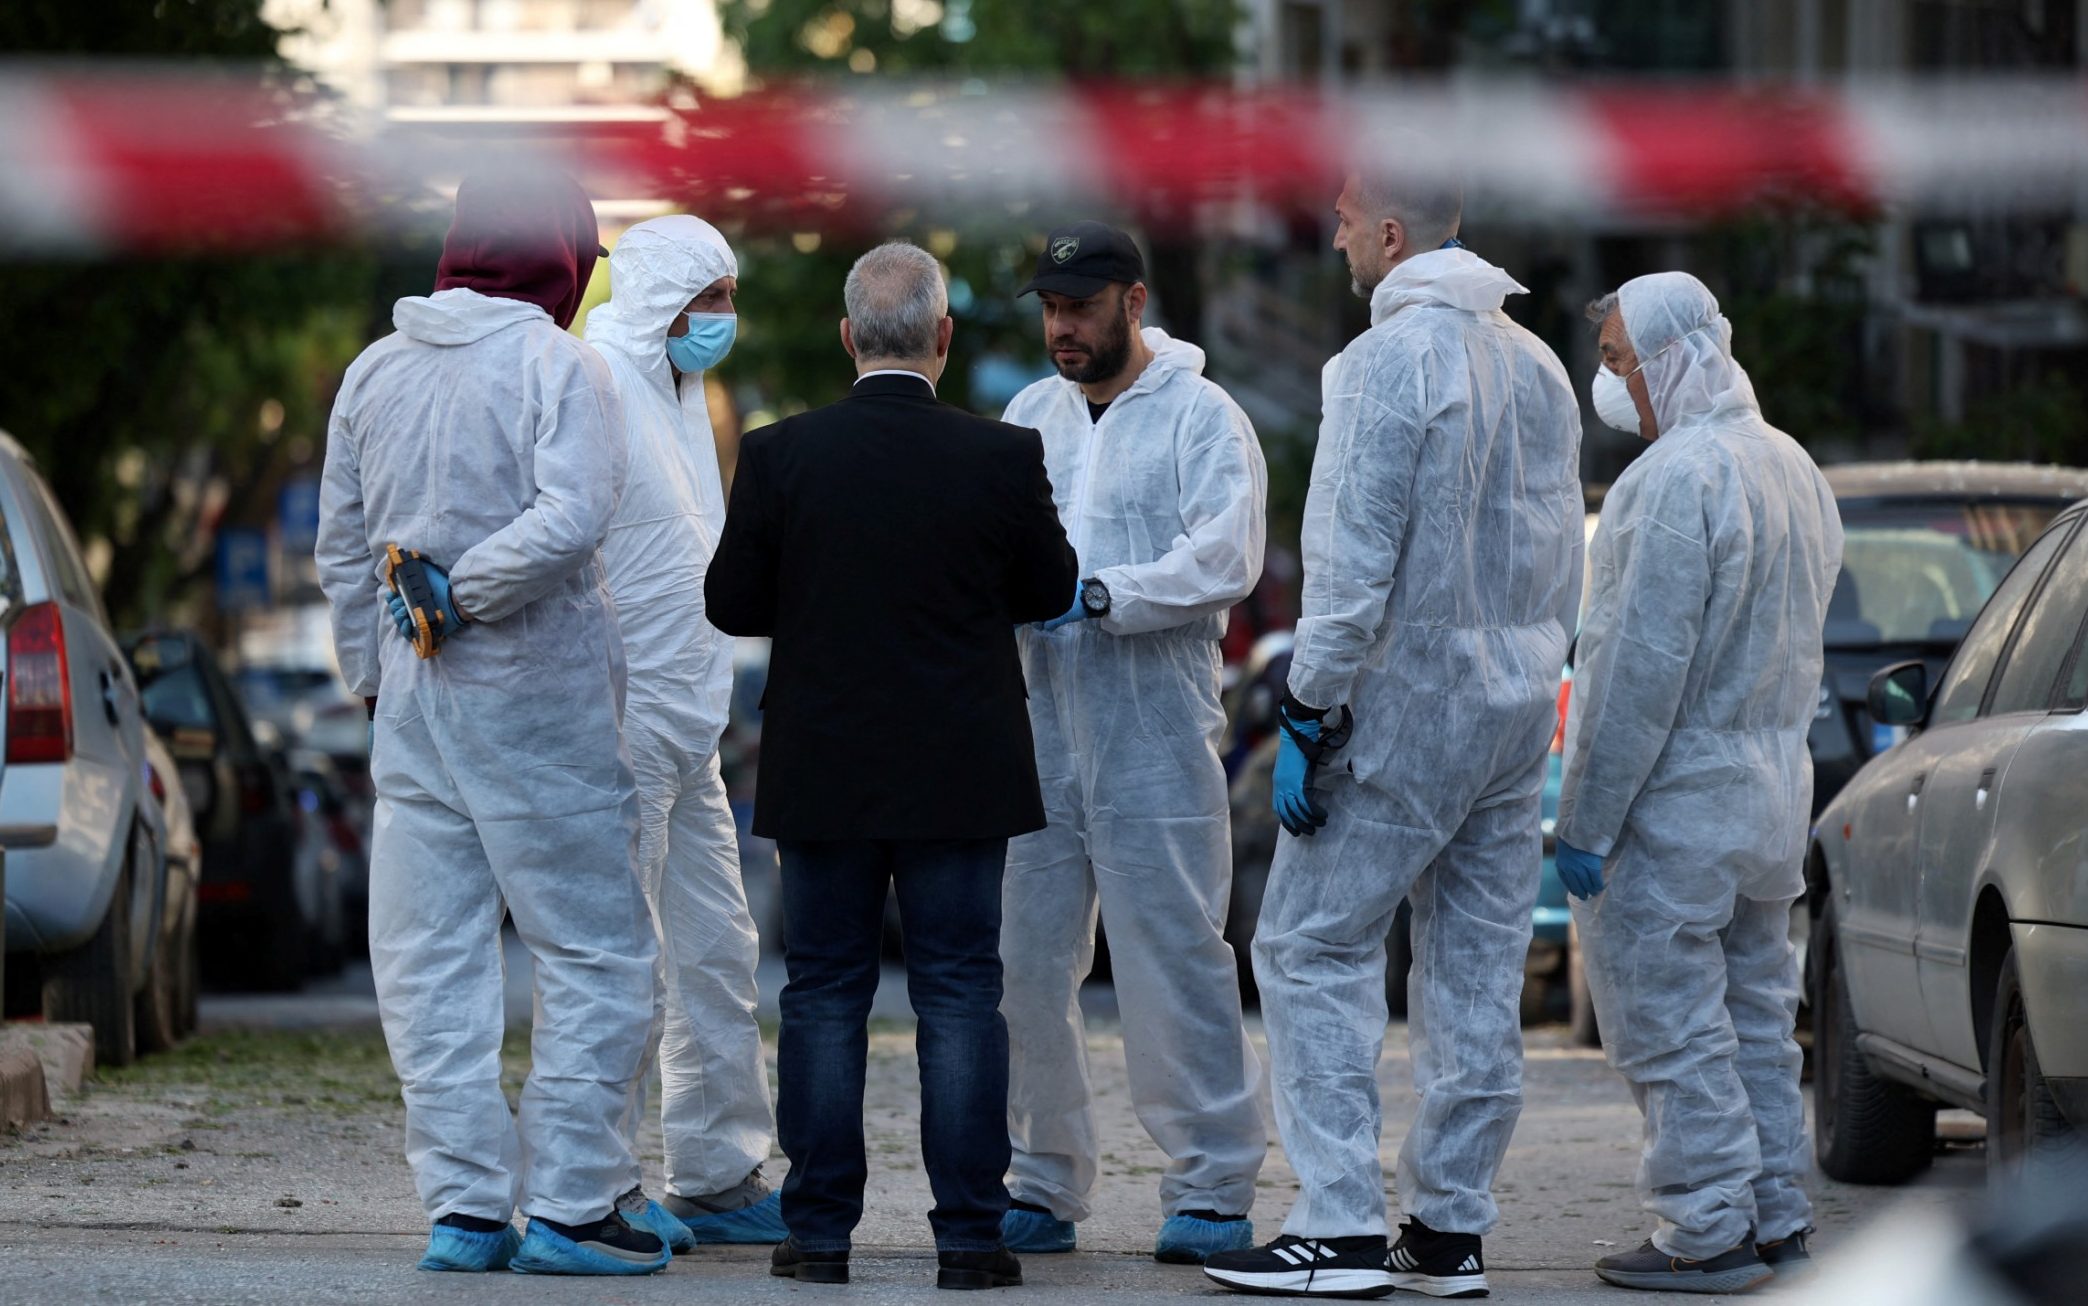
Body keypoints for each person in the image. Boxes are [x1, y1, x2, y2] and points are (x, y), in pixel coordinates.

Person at [1206, 173, 1583, 1300]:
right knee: (1473, 969)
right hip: (1515, 708)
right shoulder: (1539, 363)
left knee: (1308, 946)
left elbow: (1351, 560)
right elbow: (1558, 550)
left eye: (1340, 220)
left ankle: (1338, 1228)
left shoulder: (1383, 361)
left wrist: (1307, 707)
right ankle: (1449, 1230)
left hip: (1404, 705)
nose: (1333, 239)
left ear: (1388, 231)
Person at [704, 240, 1079, 1292]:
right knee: (960, 992)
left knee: (824, 991)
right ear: (944, 336)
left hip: (823, 766)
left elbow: (729, 602)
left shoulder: (780, 454)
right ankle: (970, 1238)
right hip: (963, 766)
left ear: (846, 337)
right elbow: (1052, 587)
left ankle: (820, 1234)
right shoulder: (1001, 455)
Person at [316, 170, 668, 1277]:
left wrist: (377, 672)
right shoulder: (561, 365)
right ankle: (573, 1205)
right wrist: (466, 595)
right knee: (595, 948)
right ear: (560, 256)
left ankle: (466, 1208)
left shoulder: (374, 370)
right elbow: (572, 517)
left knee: (428, 958)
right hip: (540, 701)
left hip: (414, 709)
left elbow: (343, 551)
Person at [1554, 272, 1840, 1294]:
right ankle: (1774, 1214)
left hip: (1675, 804)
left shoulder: (1670, 481)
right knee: (1757, 1019)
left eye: (1619, 360)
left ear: (1673, 358)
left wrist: (1585, 818)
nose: (1610, 381)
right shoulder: (1793, 465)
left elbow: (1633, 671)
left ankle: (1706, 1227)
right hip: (1770, 794)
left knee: (1671, 1026)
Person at [995, 221, 1269, 1266]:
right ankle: (1042, 1179)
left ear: (1133, 302)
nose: (1062, 327)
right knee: (1025, 961)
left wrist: (1106, 594)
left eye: (1081, 308)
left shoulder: (1203, 417)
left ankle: (1211, 1185)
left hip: (1154, 731)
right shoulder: (1030, 416)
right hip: (1037, 728)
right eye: (1051, 310)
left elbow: (1227, 556)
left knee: (1175, 955)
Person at [584, 215, 785, 1250]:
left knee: (715, 951)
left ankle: (717, 1172)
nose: (724, 317)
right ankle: (602, 1184)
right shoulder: (596, 382)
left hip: (689, 720)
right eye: (709, 297)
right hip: (621, 722)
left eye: (730, 295)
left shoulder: (680, 388)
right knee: (623, 965)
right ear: (659, 297)